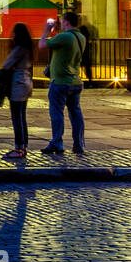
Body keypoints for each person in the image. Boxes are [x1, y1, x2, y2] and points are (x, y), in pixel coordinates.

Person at [38, 11, 87, 155]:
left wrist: (46, 31)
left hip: (60, 82)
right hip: (75, 81)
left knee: (57, 113)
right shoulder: (81, 37)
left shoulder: (64, 37)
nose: (60, 23)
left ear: (66, 22)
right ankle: (79, 144)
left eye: (61, 21)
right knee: (75, 113)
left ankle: (57, 143)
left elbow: (42, 45)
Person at [0, 23, 35, 159]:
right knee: (22, 117)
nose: (12, 35)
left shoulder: (19, 48)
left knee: (17, 118)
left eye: (14, 32)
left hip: (18, 84)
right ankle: (23, 146)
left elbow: (6, 64)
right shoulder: (28, 48)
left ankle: (18, 148)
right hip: (26, 82)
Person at [78, 21, 98, 87]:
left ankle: (78, 81)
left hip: (81, 55)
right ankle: (90, 81)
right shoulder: (86, 41)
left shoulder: (80, 39)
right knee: (87, 68)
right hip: (86, 55)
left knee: (76, 67)